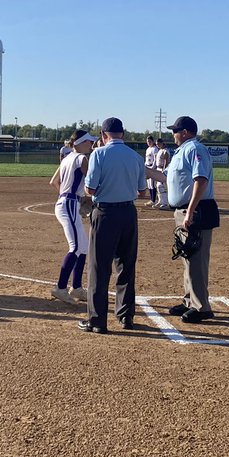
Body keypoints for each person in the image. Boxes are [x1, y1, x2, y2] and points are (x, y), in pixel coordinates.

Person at [79, 117, 148, 334]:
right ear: (123, 134)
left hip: (105, 213)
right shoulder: (136, 156)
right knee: (126, 265)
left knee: (99, 267)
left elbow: (90, 189)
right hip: (128, 213)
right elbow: (142, 192)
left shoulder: (99, 154)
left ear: (103, 135)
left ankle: (97, 320)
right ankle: (126, 316)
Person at [164, 116, 219, 321]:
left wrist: (190, 211)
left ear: (185, 132)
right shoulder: (181, 151)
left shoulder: (195, 149)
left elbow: (201, 180)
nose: (173, 135)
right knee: (188, 257)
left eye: (175, 131)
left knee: (197, 259)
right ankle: (189, 300)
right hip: (185, 210)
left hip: (197, 210)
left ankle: (201, 307)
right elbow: (166, 178)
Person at [48, 130, 96, 305]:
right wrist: (78, 197)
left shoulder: (67, 158)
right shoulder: (82, 158)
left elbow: (54, 182)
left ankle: (76, 287)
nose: (91, 145)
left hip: (67, 202)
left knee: (82, 247)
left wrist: (69, 195)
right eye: (89, 142)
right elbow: (92, 181)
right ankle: (60, 288)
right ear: (81, 143)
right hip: (69, 204)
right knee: (76, 247)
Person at [154, 138, 172, 209]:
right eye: (156, 144)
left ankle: (165, 203)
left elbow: (166, 161)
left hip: (162, 169)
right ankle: (160, 201)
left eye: (158, 144)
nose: (157, 145)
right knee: (158, 186)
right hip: (158, 168)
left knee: (162, 186)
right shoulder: (160, 150)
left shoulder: (165, 151)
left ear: (162, 143)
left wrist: (164, 171)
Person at [143, 135, 159, 206]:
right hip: (147, 166)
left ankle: (153, 200)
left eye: (150, 141)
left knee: (152, 184)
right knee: (149, 185)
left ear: (153, 141)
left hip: (152, 167)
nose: (148, 143)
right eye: (147, 141)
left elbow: (155, 159)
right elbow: (146, 159)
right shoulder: (148, 149)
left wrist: (153, 167)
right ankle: (151, 199)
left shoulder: (155, 149)